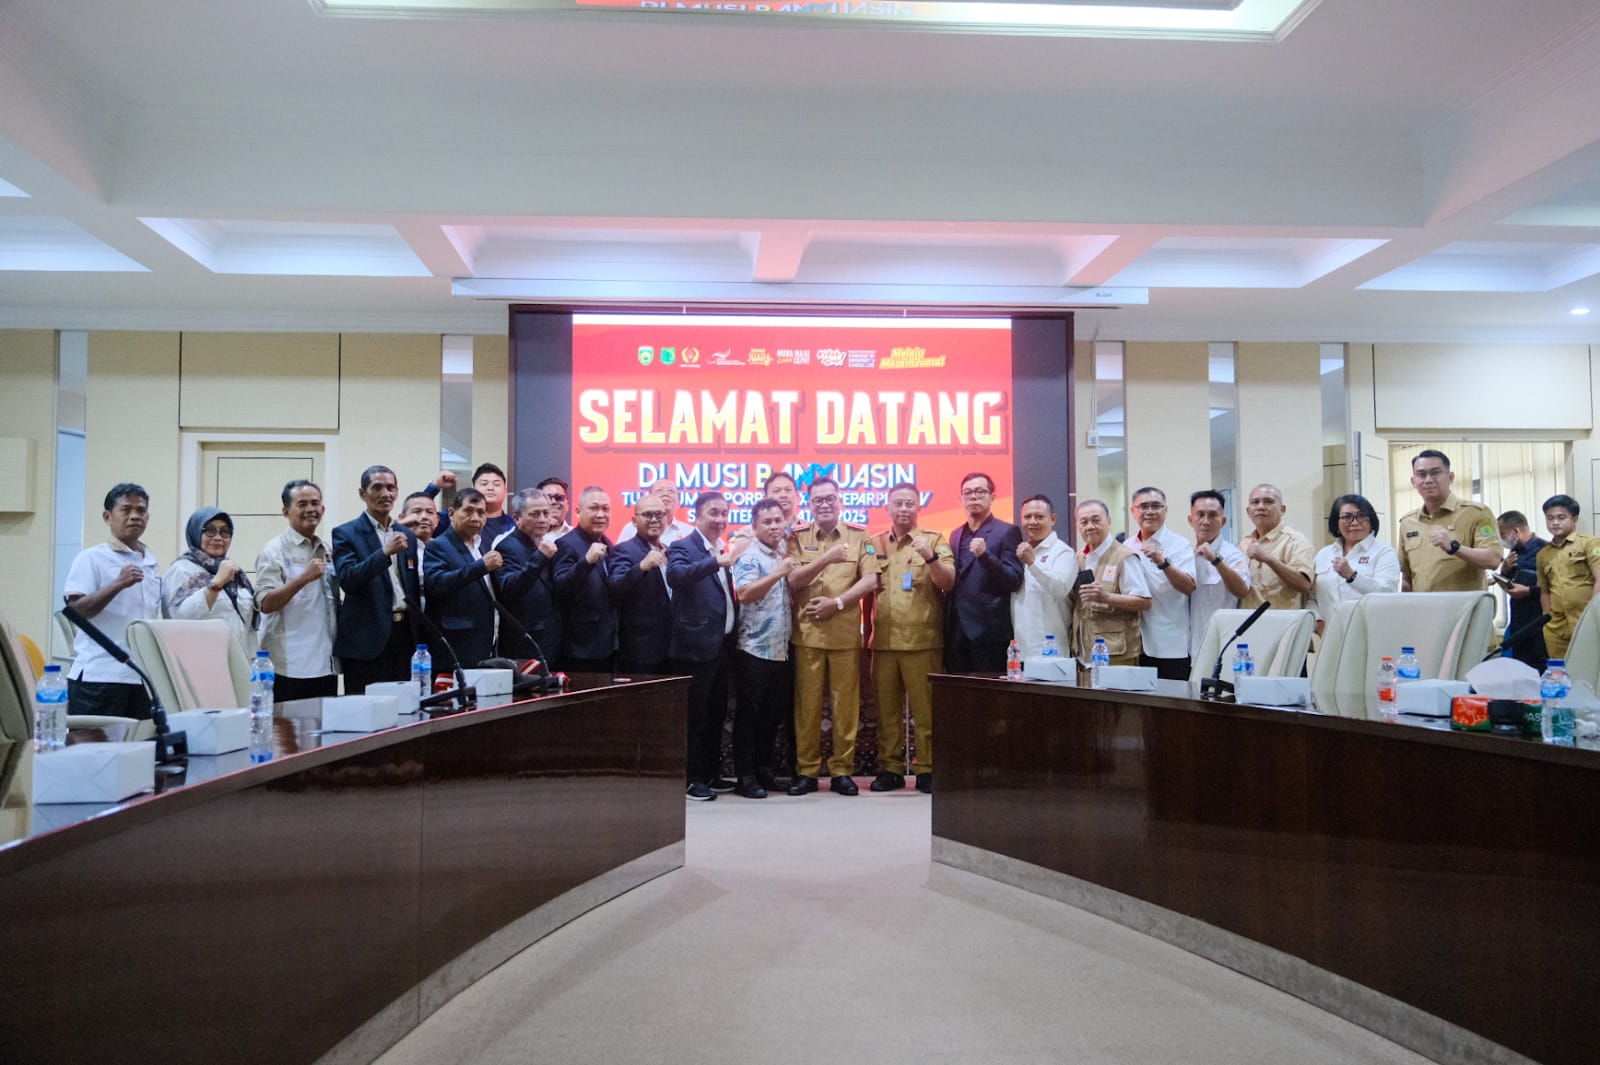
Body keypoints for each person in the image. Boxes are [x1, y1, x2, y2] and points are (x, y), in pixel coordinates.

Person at [784, 476, 875, 796]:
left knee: (845, 707)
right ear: (809, 505)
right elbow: (793, 580)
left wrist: (836, 603)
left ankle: (842, 771)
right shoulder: (797, 537)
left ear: (840, 501)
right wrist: (825, 558)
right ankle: (807, 771)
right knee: (806, 708)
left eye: (829, 498)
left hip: (844, 635)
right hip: (807, 635)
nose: (824, 504)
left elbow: (870, 580)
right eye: (817, 500)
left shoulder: (859, 536)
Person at [867, 482, 954, 794]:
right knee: (886, 712)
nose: (903, 509)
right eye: (898, 503)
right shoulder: (873, 543)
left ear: (919, 507)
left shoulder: (934, 540)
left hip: (922, 640)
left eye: (909, 503)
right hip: (884, 642)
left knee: (926, 712)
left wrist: (931, 558)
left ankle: (927, 768)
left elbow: (948, 581)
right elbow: (864, 589)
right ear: (887, 508)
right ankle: (890, 769)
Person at [668, 491, 745, 801]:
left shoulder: (722, 547)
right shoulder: (683, 546)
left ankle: (711, 774)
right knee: (695, 717)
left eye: (724, 513)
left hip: (722, 646)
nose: (720, 519)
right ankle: (691, 778)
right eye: (714, 513)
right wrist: (715, 562)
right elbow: (676, 576)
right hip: (694, 648)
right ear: (697, 516)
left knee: (716, 713)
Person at [63, 483, 162, 718]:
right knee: (94, 741)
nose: (135, 516)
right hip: (99, 676)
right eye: (126, 510)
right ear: (108, 517)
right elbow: (75, 611)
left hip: (141, 677)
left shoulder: (151, 563)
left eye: (141, 510)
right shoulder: (91, 557)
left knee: (141, 741)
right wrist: (118, 583)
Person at [331, 466, 422, 693]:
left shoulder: (407, 535)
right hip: (366, 639)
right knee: (365, 707)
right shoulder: (346, 533)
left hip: (405, 636)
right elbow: (348, 579)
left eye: (391, 488)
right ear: (363, 494)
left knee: (404, 705)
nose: (385, 494)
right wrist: (383, 553)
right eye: (377, 487)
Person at [729, 498, 796, 798]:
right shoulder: (749, 554)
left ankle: (763, 769)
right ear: (754, 526)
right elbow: (744, 593)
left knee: (772, 715)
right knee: (750, 716)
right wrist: (779, 573)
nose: (773, 526)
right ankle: (745, 776)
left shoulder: (786, 551)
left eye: (778, 520)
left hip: (781, 649)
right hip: (753, 649)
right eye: (766, 522)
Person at [256, 480, 339, 702]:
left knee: (325, 725)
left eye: (315, 503)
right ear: (286, 512)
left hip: (325, 664)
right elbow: (265, 603)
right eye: (302, 504)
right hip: (288, 666)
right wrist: (303, 578)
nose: (310, 509)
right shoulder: (274, 550)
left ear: (323, 509)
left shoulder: (327, 548)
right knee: (285, 725)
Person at [945, 471, 1024, 673]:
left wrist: (985, 556)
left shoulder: (1007, 531)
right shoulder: (955, 534)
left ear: (992, 497)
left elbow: (1013, 580)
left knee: (988, 690)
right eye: (968, 493)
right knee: (955, 689)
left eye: (980, 492)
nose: (973, 497)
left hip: (990, 631)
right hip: (957, 631)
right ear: (961, 499)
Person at [422, 487, 502, 674]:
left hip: (485, 637)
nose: (475, 518)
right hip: (456, 641)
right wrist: (480, 566)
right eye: (468, 511)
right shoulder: (439, 545)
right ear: (451, 513)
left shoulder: (482, 545)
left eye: (481, 513)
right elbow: (436, 584)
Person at [1397, 450, 1500, 593]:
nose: (1428, 480)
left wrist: (1454, 548)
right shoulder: (1408, 522)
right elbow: (1407, 577)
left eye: (1435, 473)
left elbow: (1493, 560)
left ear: (1450, 477)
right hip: (1422, 605)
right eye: (1421, 474)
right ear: (1413, 481)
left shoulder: (1477, 513)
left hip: (1465, 605)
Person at [162, 506, 258, 660]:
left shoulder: (234, 571)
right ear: (195, 533)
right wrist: (216, 584)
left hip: (239, 661)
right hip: (199, 661)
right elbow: (180, 619)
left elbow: (247, 625)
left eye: (225, 532)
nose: (218, 537)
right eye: (210, 531)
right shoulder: (181, 570)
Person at [1070, 499, 1150, 670]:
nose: (1090, 526)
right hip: (1083, 653)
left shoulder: (1124, 557)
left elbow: (1144, 601)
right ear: (1077, 526)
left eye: (1096, 520)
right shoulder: (1079, 557)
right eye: (1084, 522)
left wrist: (1106, 597)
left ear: (1109, 521)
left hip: (1115, 653)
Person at [1128, 486, 1197, 681]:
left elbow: (1189, 586)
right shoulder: (1127, 547)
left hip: (1170, 643)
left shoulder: (1179, 544)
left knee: (1172, 697)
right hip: (1135, 642)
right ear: (1133, 511)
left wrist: (1162, 562)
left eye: (1156, 506)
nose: (1150, 511)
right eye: (1144, 506)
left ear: (1165, 510)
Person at [1311, 494, 1401, 636]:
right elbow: (1310, 596)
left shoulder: (1384, 552)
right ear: (1336, 522)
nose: (1354, 522)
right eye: (1346, 517)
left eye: (1361, 516)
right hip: (1329, 634)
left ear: (1371, 520)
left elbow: (1387, 593)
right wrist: (1317, 622)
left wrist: (1352, 576)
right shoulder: (1324, 554)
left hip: (1369, 633)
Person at [495, 488, 565, 669]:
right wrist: (540, 557)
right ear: (516, 518)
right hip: (523, 641)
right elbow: (509, 588)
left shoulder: (543, 543)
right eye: (535, 514)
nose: (542, 519)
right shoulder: (507, 546)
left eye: (546, 513)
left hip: (550, 636)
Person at [607, 494, 675, 675]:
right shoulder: (624, 549)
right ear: (634, 520)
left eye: (659, 515)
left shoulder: (670, 551)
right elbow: (616, 586)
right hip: (640, 650)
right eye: (648, 515)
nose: (654, 520)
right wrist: (641, 567)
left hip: (672, 648)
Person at [552, 486, 618, 672]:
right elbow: (561, 587)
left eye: (605, 509)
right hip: (579, 647)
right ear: (578, 511)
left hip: (607, 643)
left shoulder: (608, 543)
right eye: (594, 508)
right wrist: (586, 562)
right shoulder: (566, 544)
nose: (600, 514)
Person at [1186, 490, 1250, 660]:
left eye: (1213, 515)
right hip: (1190, 646)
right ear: (1191, 520)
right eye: (1200, 515)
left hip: (1222, 645)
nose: (1206, 521)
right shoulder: (1186, 555)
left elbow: (1242, 590)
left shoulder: (1232, 554)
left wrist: (1215, 560)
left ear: (1223, 521)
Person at [1010, 494, 1075, 659]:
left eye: (1039, 517)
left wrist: (1033, 564)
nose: (1032, 522)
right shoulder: (1018, 551)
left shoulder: (1063, 552)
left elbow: (1060, 589)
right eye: (1027, 517)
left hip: (1051, 648)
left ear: (1052, 519)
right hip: (1019, 649)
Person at [1536, 494, 1600, 660]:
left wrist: (1592, 616)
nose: (1555, 522)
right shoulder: (1543, 554)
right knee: (1560, 671)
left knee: (1590, 668)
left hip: (1588, 621)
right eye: (1550, 518)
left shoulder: (1589, 543)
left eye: (1561, 517)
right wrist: (1547, 618)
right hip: (1557, 627)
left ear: (1575, 519)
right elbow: (1545, 591)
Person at [1239, 483, 1315, 610]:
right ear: (1248, 511)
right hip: (1246, 620)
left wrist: (1269, 559)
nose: (1260, 507)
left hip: (1282, 621)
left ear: (1282, 509)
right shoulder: (1244, 543)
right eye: (1255, 502)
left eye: (1268, 502)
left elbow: (1304, 585)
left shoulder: (1295, 541)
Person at [1495, 510, 1548, 671]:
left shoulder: (1546, 551)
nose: (1501, 540)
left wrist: (1529, 591)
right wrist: (1504, 571)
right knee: (1521, 669)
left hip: (1541, 623)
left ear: (1516, 531)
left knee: (1542, 669)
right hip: (1519, 622)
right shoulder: (1514, 553)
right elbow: (1510, 585)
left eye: (1502, 534)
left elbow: (1557, 588)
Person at [617, 477, 694, 546]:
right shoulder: (632, 528)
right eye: (660, 490)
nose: (666, 494)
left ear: (679, 502)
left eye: (671, 491)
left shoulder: (690, 532)